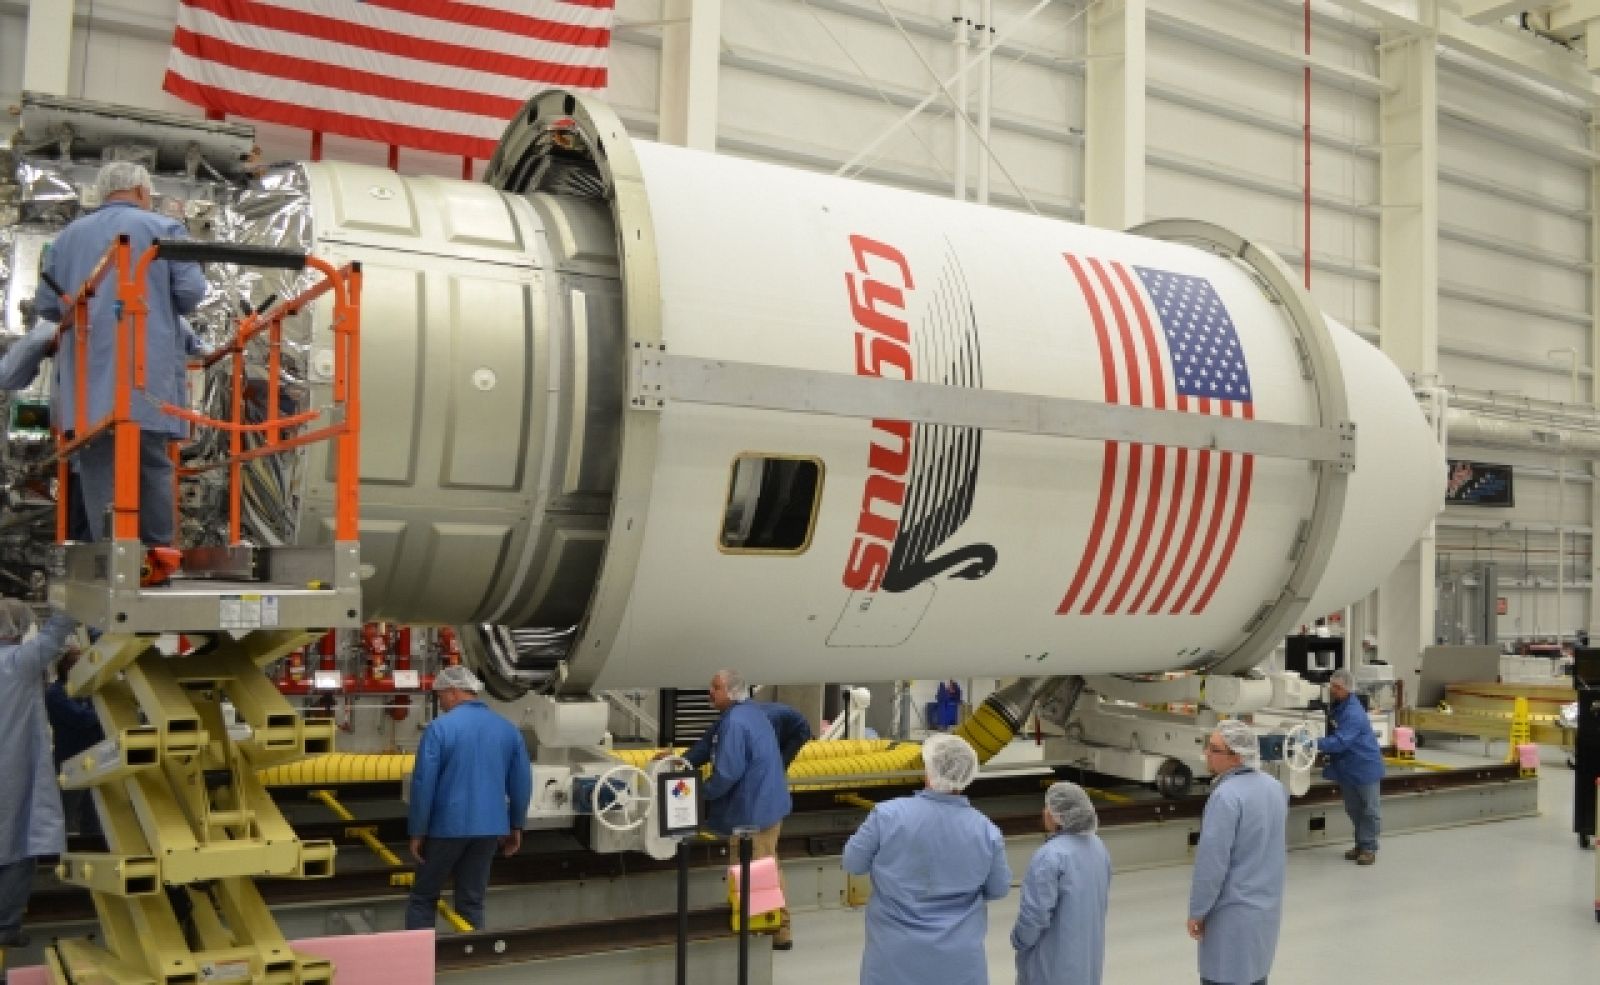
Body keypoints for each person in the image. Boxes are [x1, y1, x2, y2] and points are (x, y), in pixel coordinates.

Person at [33, 161, 207, 550]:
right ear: (144, 192)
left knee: (98, 472)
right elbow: (192, 295)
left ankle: (114, 562)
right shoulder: (163, 229)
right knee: (152, 467)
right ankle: (158, 560)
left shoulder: (66, 238)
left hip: (86, 387)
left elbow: (48, 306)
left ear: (103, 192)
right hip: (145, 376)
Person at [842, 733, 1010, 985]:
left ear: (928, 771)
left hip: (894, 954)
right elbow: (998, 889)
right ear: (967, 777)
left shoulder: (887, 815)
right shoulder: (986, 830)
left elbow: (852, 863)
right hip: (959, 960)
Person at [405, 665, 532, 933]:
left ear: (453, 692)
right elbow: (522, 784)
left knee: (423, 897)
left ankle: (417, 963)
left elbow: (423, 784)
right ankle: (473, 958)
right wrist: (516, 825)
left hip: (446, 828)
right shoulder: (508, 730)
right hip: (490, 829)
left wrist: (417, 831)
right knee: (472, 901)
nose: (441, 704)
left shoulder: (439, 729)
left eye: (440, 697)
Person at [676, 670, 795, 948]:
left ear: (730, 692)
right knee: (767, 865)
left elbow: (728, 773)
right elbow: (707, 745)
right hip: (767, 806)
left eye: (715, 687)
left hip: (753, 814)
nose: (710, 692)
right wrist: (680, 763)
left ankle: (767, 933)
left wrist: (700, 793)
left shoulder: (735, 723)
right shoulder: (747, 713)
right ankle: (775, 929)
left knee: (753, 872)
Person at [0, 599, 81, 949]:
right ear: (16, 628)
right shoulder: (19, 663)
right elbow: (56, 633)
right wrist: (76, 590)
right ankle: (5, 926)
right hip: (11, 770)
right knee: (18, 844)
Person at [1188, 720, 1288, 985]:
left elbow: (1211, 865)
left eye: (1214, 749)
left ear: (1237, 756)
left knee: (1226, 975)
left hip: (1232, 914)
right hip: (1265, 910)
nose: (1206, 754)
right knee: (1255, 975)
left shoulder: (1226, 797)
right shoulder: (1274, 788)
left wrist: (1197, 911)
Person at [1011, 781, 1112, 985]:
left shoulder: (1050, 856)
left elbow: (1035, 915)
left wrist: (1018, 940)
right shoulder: (1098, 847)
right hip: (1087, 962)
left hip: (1051, 967)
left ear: (1056, 815)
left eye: (1047, 806)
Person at [1316, 667, 1384, 865]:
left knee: (1370, 810)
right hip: (1349, 767)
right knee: (1354, 809)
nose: (1332, 690)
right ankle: (1360, 844)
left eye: (1336, 687)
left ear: (1347, 688)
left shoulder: (1353, 712)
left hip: (1364, 766)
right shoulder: (1339, 706)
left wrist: (1313, 743)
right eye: (1332, 686)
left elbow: (1340, 742)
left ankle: (1369, 848)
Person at [46, 641, 103, 836]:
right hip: (69, 761)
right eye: (75, 658)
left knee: (93, 814)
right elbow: (82, 719)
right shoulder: (55, 694)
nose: (81, 662)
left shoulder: (87, 688)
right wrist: (99, 712)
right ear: (64, 664)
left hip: (94, 759)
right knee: (66, 813)